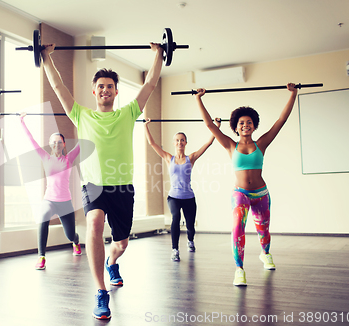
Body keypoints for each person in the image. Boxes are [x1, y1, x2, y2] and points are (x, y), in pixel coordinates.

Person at [40, 42, 163, 319]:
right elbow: (59, 88)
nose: (105, 90)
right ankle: (100, 291)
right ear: (94, 91)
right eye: (101, 86)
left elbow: (151, 83)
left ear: (116, 92)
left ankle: (112, 261)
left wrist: (158, 54)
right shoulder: (81, 114)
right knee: (94, 223)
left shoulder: (128, 113)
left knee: (121, 243)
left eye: (110, 86)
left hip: (122, 187)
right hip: (93, 185)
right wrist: (47, 58)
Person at [194, 83, 298, 286]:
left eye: (249, 122)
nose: (245, 125)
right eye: (241, 122)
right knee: (237, 229)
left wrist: (293, 94)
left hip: (261, 194)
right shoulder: (230, 145)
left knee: (264, 231)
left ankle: (265, 254)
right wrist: (199, 99)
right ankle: (239, 269)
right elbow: (209, 125)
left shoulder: (262, 143)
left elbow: (281, 120)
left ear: (254, 125)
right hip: (240, 193)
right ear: (235, 126)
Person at [144, 117, 220, 261]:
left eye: (182, 140)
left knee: (190, 226)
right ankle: (175, 250)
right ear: (174, 143)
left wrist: (217, 126)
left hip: (188, 197)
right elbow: (152, 143)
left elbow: (208, 143)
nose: (180, 142)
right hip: (173, 197)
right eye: (177, 140)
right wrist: (146, 126)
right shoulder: (168, 158)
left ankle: (190, 241)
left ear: (185, 143)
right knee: (176, 218)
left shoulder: (191, 158)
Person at [18, 112, 82, 270]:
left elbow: (83, 142)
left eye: (59, 142)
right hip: (50, 200)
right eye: (53, 142)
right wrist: (22, 121)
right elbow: (31, 140)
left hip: (65, 202)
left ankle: (76, 241)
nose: (56, 144)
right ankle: (41, 256)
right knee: (43, 216)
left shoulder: (69, 158)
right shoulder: (45, 157)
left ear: (64, 144)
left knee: (70, 234)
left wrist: (85, 122)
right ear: (50, 144)